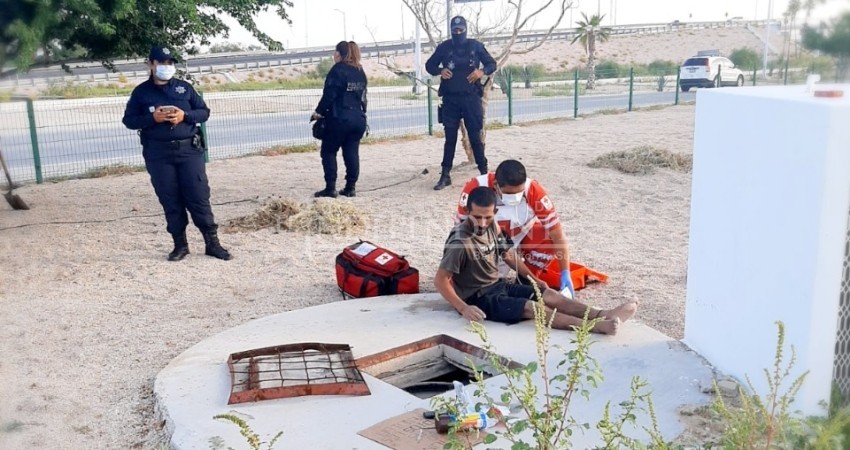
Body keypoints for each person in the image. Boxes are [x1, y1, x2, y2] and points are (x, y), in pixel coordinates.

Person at [435, 187, 637, 335]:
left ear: (495, 213)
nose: (481, 223)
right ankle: (596, 327)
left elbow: (508, 255)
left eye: (487, 217)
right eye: (477, 217)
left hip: (497, 285)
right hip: (478, 297)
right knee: (534, 308)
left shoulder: (493, 226)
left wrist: (533, 278)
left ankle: (604, 314)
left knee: (549, 294)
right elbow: (440, 280)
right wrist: (463, 308)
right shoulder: (460, 242)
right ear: (467, 212)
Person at [122, 46, 231, 261]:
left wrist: (184, 116)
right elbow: (129, 120)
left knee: (198, 196)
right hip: (159, 154)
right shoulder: (141, 92)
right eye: (162, 62)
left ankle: (212, 243)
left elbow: (204, 112)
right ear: (151, 64)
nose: (167, 66)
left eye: (170, 62)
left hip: (189, 151)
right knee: (170, 198)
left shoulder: (184, 88)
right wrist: (152, 119)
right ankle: (180, 245)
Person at [456, 160, 574, 296]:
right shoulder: (475, 188)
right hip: (486, 244)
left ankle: (525, 281)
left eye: (519, 194)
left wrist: (565, 272)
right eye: (509, 194)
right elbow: (461, 232)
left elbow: (558, 235)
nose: (514, 198)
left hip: (517, 238)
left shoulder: (534, 191)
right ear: (496, 185)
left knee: (546, 238)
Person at [425, 15, 497, 190]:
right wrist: (440, 70)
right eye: (455, 30)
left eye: (460, 30)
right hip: (450, 99)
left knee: (475, 137)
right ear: (451, 30)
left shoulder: (475, 46)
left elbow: (491, 64)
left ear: (465, 29)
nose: (458, 33)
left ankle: (484, 173)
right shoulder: (444, 47)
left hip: (471, 98)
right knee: (450, 138)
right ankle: (445, 175)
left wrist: (481, 72)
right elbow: (429, 65)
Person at [312, 41, 368, 198]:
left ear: (339, 54)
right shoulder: (360, 70)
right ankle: (350, 187)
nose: (333, 54)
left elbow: (329, 95)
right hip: (358, 118)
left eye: (335, 51)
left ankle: (330, 188)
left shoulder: (337, 70)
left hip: (339, 118)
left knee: (328, 151)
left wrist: (318, 112)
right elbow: (364, 97)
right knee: (351, 152)